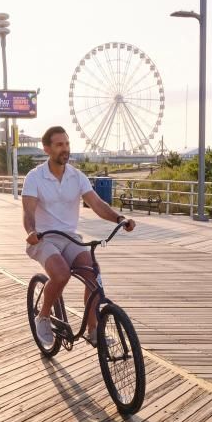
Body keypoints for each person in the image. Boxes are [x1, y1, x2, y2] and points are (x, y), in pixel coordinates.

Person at [24, 126, 134, 348]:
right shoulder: (35, 177)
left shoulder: (77, 176)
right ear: (47, 149)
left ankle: (94, 329)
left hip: (71, 238)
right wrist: (31, 232)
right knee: (61, 274)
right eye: (59, 145)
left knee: (93, 274)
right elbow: (28, 212)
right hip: (44, 238)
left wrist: (119, 218)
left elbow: (96, 204)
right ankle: (43, 317)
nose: (65, 149)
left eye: (67, 143)